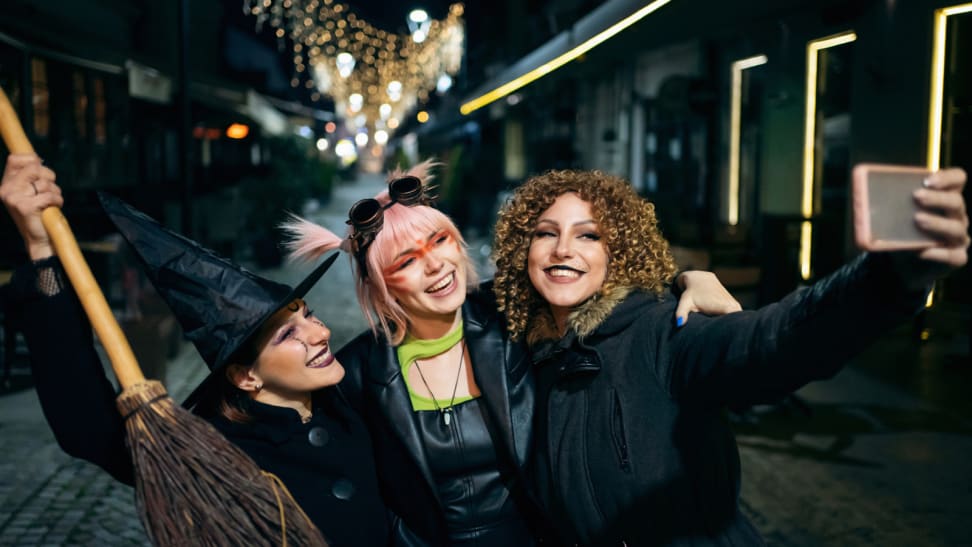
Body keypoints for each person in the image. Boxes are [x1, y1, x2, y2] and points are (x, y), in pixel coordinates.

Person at [489, 167, 970, 546]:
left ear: (619, 252)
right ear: (523, 249)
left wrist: (885, 280)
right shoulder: (519, 347)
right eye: (545, 233)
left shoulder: (666, 333)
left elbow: (774, 341)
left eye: (589, 235)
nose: (563, 249)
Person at [281, 160, 742, 546]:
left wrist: (685, 278)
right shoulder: (360, 372)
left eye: (439, 241)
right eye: (406, 261)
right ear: (381, 286)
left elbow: (596, 280)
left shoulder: (511, 317)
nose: (435, 265)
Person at [0, 154, 391, 546]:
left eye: (310, 315)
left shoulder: (358, 396)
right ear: (245, 376)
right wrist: (40, 249)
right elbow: (87, 424)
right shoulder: (212, 453)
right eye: (288, 335)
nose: (320, 333)